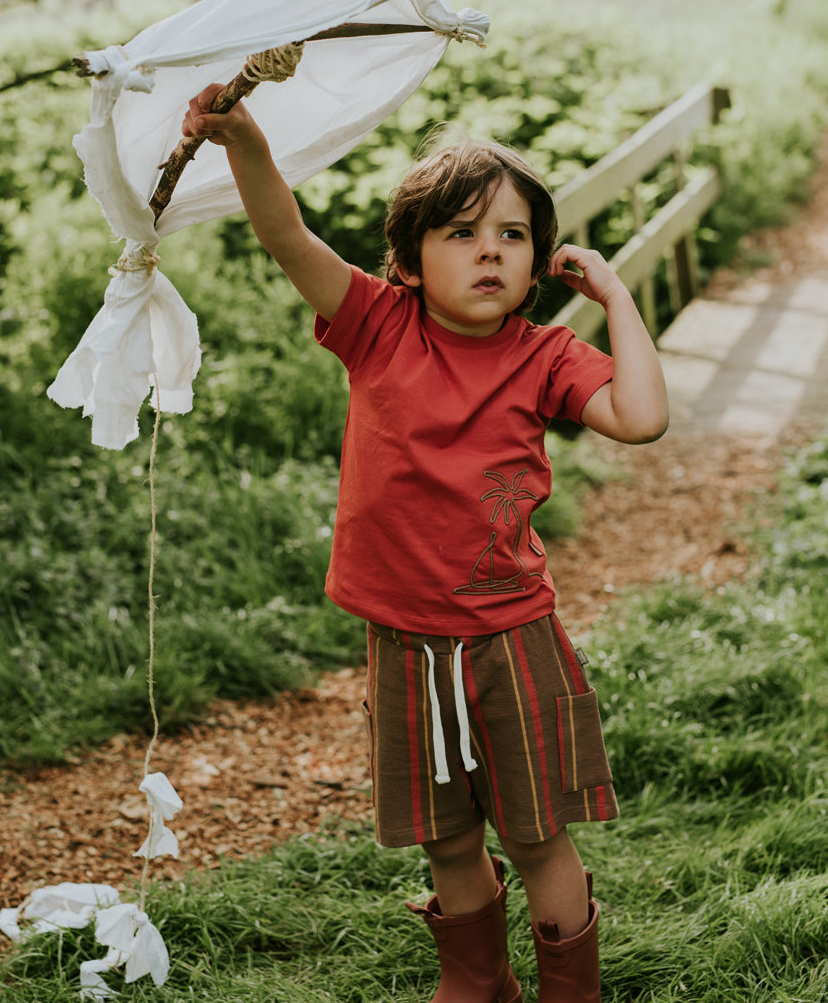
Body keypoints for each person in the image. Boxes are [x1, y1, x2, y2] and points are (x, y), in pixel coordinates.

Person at [182, 83, 669, 1003]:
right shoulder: (375, 327)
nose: (489, 249)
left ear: (534, 265)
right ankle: (477, 981)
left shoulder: (546, 356)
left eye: (513, 235)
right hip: (405, 643)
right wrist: (243, 140)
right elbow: (288, 235)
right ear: (408, 261)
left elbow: (641, 417)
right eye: (461, 232)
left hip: (510, 640)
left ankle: (574, 990)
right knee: (445, 836)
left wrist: (612, 291)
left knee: (533, 836)